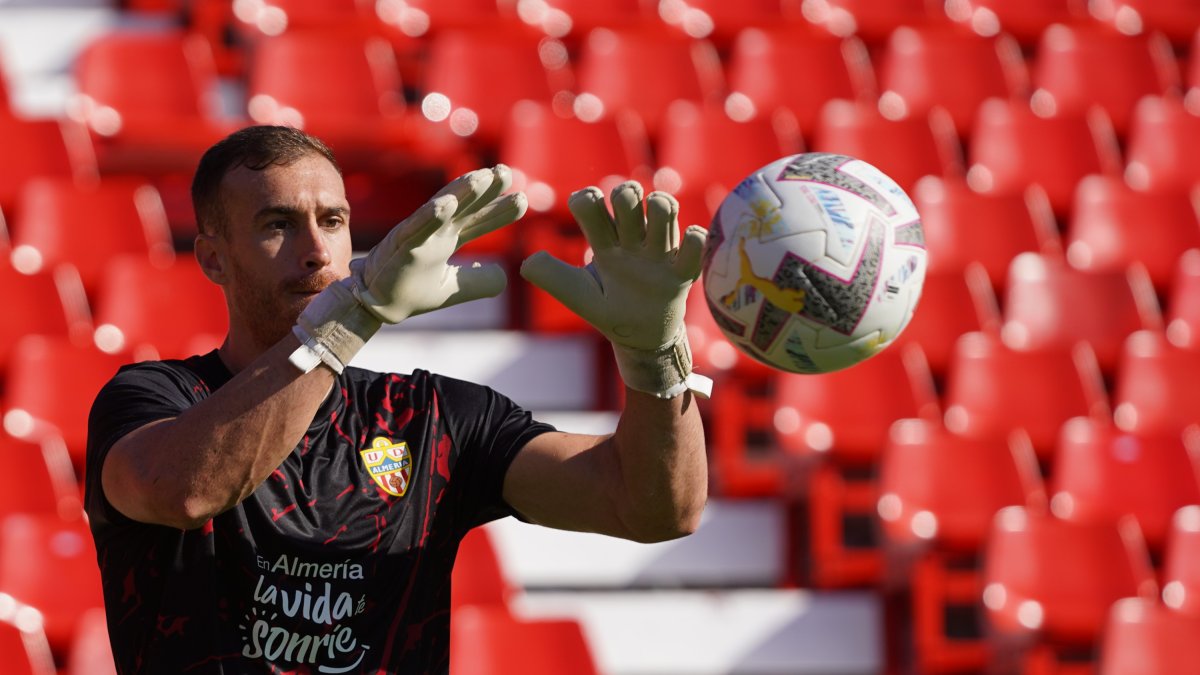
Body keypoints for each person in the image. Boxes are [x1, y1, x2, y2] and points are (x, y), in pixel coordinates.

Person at [85, 124, 712, 674]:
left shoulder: (433, 420)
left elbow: (652, 509)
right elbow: (190, 489)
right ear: (213, 260)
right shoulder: (155, 399)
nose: (316, 252)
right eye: (278, 225)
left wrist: (656, 361)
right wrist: (347, 317)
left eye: (332, 222)